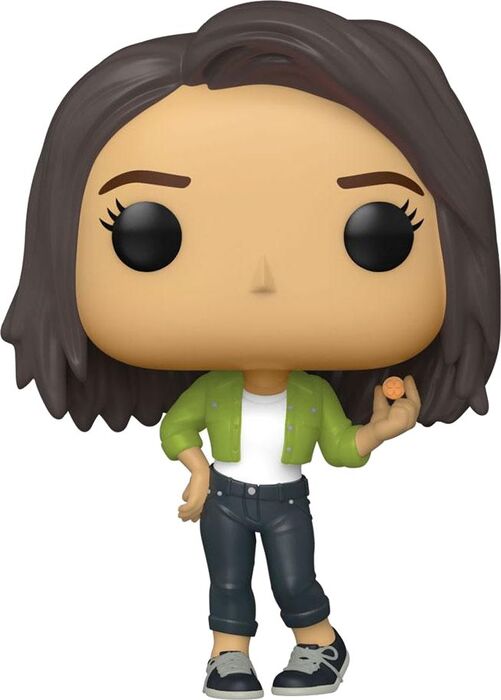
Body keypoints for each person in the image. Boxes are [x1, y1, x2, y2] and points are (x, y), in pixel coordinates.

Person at [2, 2, 499, 697]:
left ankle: (318, 643)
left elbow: (340, 449)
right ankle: (228, 655)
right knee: (227, 580)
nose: (262, 279)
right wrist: (197, 472)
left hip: (287, 499)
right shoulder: (210, 394)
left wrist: (384, 430)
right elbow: (176, 429)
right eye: (147, 234)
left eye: (378, 232)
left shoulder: (312, 396)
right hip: (227, 497)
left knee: (295, 579)